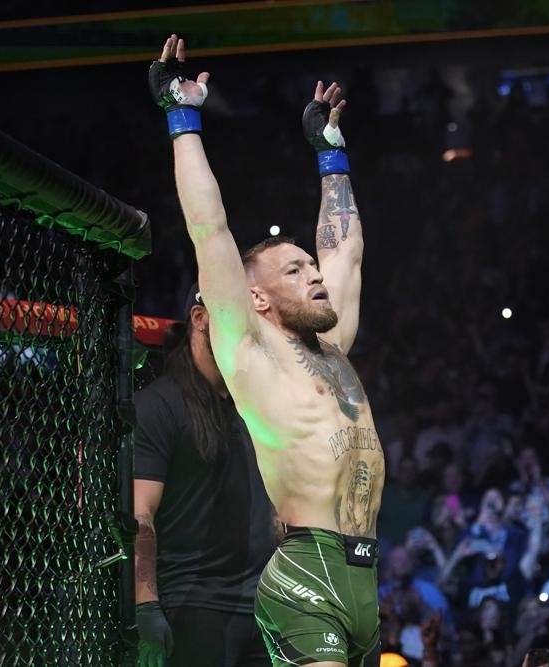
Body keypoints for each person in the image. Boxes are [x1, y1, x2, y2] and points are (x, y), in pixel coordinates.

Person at [149, 35, 384, 666]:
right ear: (255, 298)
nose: (313, 273)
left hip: (364, 571)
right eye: (293, 270)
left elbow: (347, 251)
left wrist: (331, 159)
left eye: (310, 264)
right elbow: (210, 226)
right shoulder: (253, 356)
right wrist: (183, 119)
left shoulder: (332, 345)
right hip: (306, 574)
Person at [134, 285, 275, 667]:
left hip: (265, 607)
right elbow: (140, 516)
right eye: (236, 314)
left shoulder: (255, 406)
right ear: (199, 318)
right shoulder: (159, 405)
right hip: (194, 606)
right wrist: (146, 606)